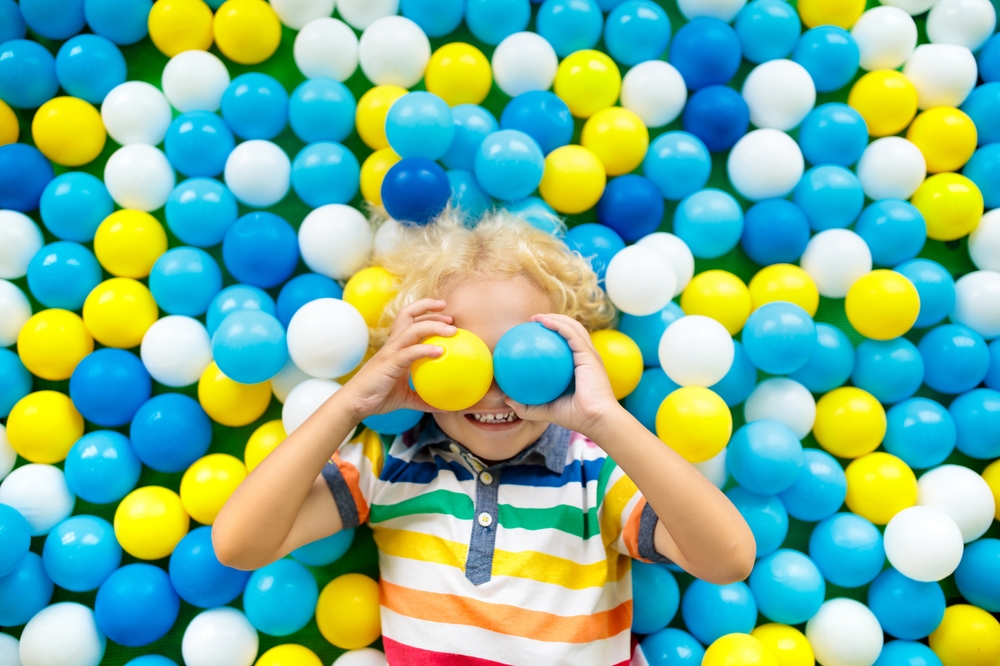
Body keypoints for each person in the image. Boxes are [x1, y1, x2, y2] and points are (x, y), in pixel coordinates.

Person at [213, 208, 756, 665]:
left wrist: (604, 418)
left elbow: (727, 560)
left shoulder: (597, 475)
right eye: (465, 361)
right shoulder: (392, 467)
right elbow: (239, 544)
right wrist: (352, 402)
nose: (495, 392)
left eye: (523, 358)